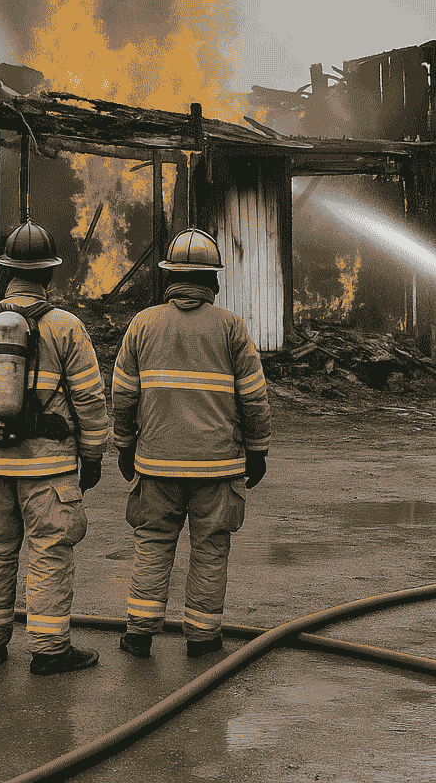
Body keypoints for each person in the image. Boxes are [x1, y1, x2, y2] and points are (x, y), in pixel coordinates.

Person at [0, 221, 109, 675]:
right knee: (49, 551)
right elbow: (89, 398)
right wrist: (93, 454)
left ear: (5, 271)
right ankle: (49, 649)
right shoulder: (66, 327)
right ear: (49, 275)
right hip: (49, 468)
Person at [112, 228, 272, 660]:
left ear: (169, 278)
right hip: (217, 469)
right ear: (212, 281)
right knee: (211, 548)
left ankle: (139, 635)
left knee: (153, 544)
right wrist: (257, 450)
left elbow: (123, 395)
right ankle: (202, 638)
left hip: (156, 464)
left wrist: (124, 444)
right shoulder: (231, 327)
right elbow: (254, 397)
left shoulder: (143, 325)